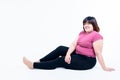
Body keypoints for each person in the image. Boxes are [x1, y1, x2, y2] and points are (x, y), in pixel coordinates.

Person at [23, 16, 115, 71]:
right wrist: (68, 54)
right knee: (60, 48)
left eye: (89, 23)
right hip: (78, 54)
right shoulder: (81, 33)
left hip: (87, 61)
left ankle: (33, 66)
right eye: (84, 23)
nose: (86, 25)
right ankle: (39, 61)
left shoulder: (96, 35)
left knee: (60, 60)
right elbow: (73, 44)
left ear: (94, 25)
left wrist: (104, 67)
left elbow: (98, 53)